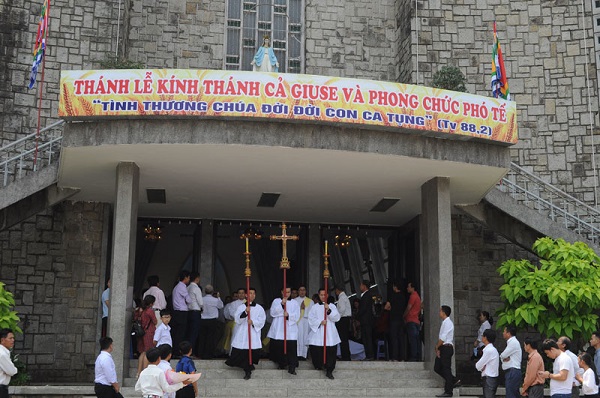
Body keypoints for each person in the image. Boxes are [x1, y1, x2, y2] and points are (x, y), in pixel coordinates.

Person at [225, 287, 266, 380]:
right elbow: (237, 319)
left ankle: (249, 368)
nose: (252, 295)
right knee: (242, 349)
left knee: (251, 350)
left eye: (253, 293)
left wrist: (253, 322)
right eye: (250, 293)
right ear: (246, 295)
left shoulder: (259, 308)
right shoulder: (241, 307)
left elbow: (262, 320)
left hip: (253, 332)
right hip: (243, 331)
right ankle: (246, 367)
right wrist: (245, 313)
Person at [308, 288, 341, 380]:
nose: (323, 296)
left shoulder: (332, 306)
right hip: (318, 332)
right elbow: (311, 319)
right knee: (318, 350)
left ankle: (329, 370)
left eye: (324, 295)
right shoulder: (314, 307)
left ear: (327, 295)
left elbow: (337, 317)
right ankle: (320, 365)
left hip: (329, 332)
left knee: (330, 352)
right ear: (319, 295)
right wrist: (319, 322)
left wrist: (329, 310)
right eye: (321, 295)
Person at [267, 287, 300, 375]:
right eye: (285, 292)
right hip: (279, 327)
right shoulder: (276, 301)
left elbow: (297, 315)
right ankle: (282, 363)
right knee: (280, 347)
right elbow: (272, 312)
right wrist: (281, 305)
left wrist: (289, 315)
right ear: (282, 292)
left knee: (291, 348)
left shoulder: (295, 303)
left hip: (290, 328)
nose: (287, 294)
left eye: (289, 292)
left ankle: (292, 366)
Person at [434, 305, 459, 398]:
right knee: (437, 367)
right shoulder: (444, 322)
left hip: (446, 347)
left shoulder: (448, 323)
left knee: (446, 369)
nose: (439, 312)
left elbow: (443, 338)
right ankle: (453, 380)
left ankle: (449, 391)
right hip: (443, 347)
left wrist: (437, 346)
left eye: (440, 311)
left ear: (444, 312)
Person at [198, 284, 223, 359]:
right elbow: (221, 306)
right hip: (212, 320)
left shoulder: (202, 299)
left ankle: (201, 353)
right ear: (212, 292)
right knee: (211, 338)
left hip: (203, 320)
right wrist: (218, 297)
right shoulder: (215, 300)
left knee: (202, 337)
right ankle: (209, 354)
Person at [136, 294, 158, 378]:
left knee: (142, 352)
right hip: (148, 333)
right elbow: (155, 321)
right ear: (151, 303)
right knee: (147, 352)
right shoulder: (149, 311)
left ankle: (138, 372)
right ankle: (145, 371)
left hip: (140, 332)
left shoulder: (140, 310)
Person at [172, 271, 191, 357]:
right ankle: (178, 352)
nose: (189, 279)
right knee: (180, 333)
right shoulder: (182, 287)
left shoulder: (176, 287)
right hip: (181, 312)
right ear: (186, 277)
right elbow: (189, 300)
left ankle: (175, 351)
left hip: (176, 311)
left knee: (176, 333)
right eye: (188, 277)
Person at [475, 329, 499, 398]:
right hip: (491, 379)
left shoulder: (489, 350)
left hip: (489, 379)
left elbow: (478, 365)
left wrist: (481, 367)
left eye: (483, 336)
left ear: (485, 338)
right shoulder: (491, 349)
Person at [386, 280, 406, 362]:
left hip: (394, 319)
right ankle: (403, 357)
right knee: (401, 338)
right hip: (401, 319)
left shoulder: (392, 295)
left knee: (394, 338)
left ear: (395, 287)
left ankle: (395, 357)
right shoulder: (403, 296)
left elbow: (387, 307)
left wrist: (391, 309)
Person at [500, 325, 522, 398]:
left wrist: (504, 357)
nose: (503, 333)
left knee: (511, 394)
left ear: (508, 333)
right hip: (513, 371)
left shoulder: (513, 342)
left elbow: (502, 355)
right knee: (514, 394)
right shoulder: (512, 342)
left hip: (512, 371)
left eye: (504, 331)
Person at [293, 285, 313, 360]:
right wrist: (300, 309)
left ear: (306, 291)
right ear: (298, 292)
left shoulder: (310, 301)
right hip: (298, 322)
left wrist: (305, 310)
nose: (302, 292)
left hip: (306, 322)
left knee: (305, 337)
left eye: (303, 290)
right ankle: (298, 354)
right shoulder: (294, 301)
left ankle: (304, 355)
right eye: (300, 290)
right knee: (298, 337)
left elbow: (312, 313)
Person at [186, 272, 203, 357]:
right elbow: (200, 302)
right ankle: (191, 352)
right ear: (197, 278)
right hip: (195, 311)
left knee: (189, 332)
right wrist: (202, 306)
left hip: (188, 311)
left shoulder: (187, 287)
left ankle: (187, 351)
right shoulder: (196, 288)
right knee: (194, 333)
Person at [404, 282, 422, 361]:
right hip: (416, 320)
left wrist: (403, 315)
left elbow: (409, 307)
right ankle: (417, 356)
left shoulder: (413, 296)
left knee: (412, 340)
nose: (407, 288)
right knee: (416, 339)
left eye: (408, 287)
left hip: (411, 320)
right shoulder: (418, 297)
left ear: (413, 288)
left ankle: (413, 356)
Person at [334, 284, 352, 361]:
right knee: (344, 338)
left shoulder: (341, 298)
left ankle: (345, 356)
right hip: (346, 319)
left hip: (343, 319)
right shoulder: (345, 297)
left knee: (343, 339)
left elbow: (342, 309)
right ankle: (346, 356)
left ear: (338, 290)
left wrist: (337, 316)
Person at [358, 280, 375, 360]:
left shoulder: (366, 295)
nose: (360, 287)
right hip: (366, 320)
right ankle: (368, 355)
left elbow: (363, 309)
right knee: (366, 338)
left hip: (366, 320)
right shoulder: (367, 295)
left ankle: (370, 355)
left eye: (361, 285)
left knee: (367, 338)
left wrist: (357, 316)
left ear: (364, 286)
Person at [0, 329, 17, 398]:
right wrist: (15, 369)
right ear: (2, 340)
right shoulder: (2, 354)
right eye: (10, 338)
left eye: (13, 338)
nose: (13, 340)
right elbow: (12, 371)